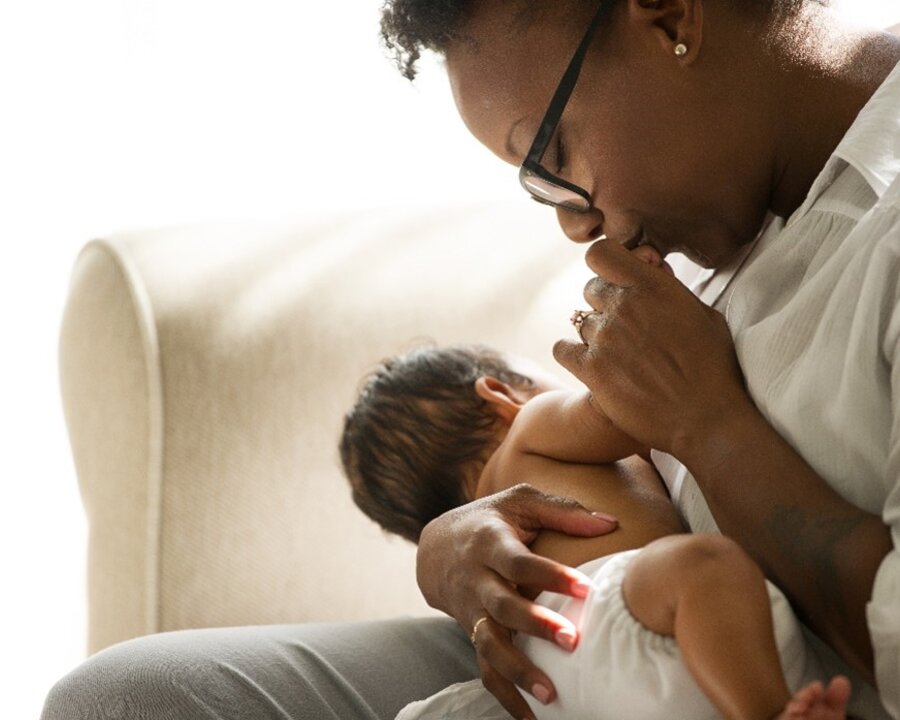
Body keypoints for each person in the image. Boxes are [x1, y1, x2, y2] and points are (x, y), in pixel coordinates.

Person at [40, 2, 900, 719]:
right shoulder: (712, 214)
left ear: (670, 15)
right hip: (603, 643)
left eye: (554, 155)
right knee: (128, 698)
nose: (571, 225)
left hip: (780, 658)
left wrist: (710, 427)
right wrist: (457, 552)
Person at [339, 338, 848, 720]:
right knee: (704, 564)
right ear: (500, 394)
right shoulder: (532, 427)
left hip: (562, 688)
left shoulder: (478, 570)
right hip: (619, 608)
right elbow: (636, 405)